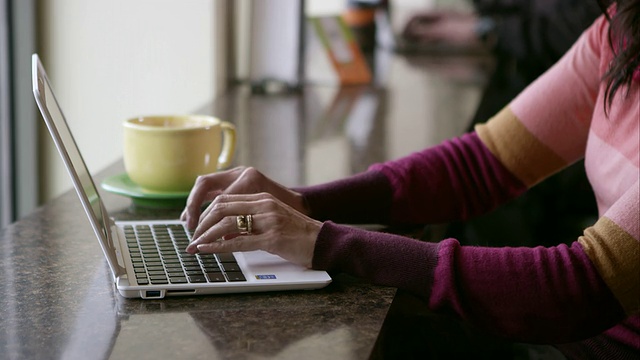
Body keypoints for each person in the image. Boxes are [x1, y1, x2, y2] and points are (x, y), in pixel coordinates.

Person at [182, 0, 639, 358]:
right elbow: (482, 164)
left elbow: (580, 287)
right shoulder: (619, 30)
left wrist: (325, 241)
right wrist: (304, 203)